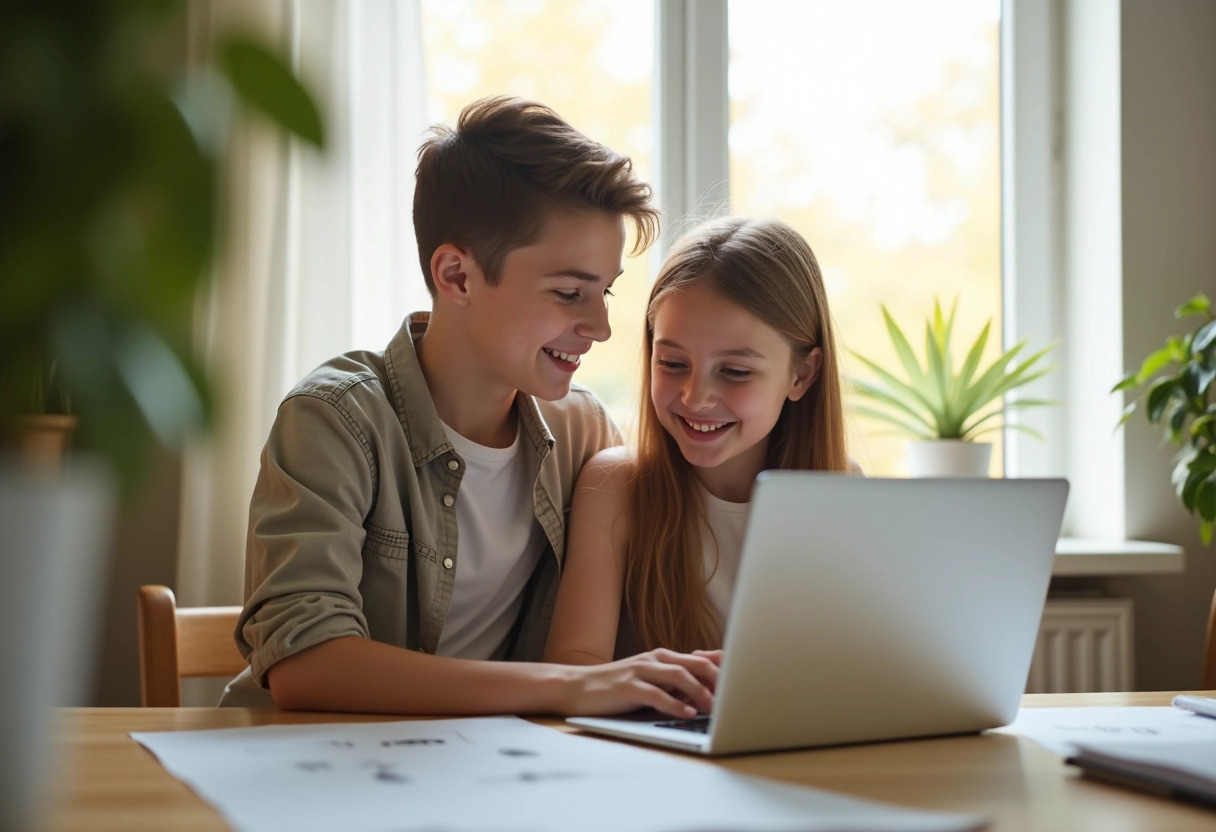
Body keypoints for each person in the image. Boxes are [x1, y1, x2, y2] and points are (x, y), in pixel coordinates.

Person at [219, 96, 718, 719]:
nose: (601, 327)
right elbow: (306, 664)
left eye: (605, 292)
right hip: (313, 772)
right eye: (569, 293)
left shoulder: (584, 433)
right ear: (456, 276)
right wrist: (569, 686)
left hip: (483, 773)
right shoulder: (336, 421)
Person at [544, 217, 854, 666]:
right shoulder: (616, 487)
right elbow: (573, 667)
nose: (695, 397)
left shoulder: (843, 492)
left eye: (735, 372)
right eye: (672, 363)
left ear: (802, 374)